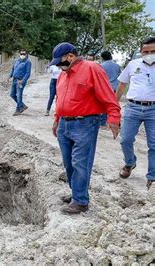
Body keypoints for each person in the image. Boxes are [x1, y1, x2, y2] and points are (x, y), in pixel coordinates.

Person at [50, 42, 121, 214]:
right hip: (64, 124)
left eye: (60, 62)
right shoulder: (62, 75)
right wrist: (57, 119)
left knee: (80, 162)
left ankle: (81, 201)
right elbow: (60, 99)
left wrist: (114, 117)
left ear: (70, 56)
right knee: (69, 163)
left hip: (85, 123)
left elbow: (108, 95)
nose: (59, 66)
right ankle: (77, 193)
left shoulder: (92, 69)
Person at [115, 37, 155, 191]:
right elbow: (122, 84)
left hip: (153, 109)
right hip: (132, 107)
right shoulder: (132, 65)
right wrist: (113, 106)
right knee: (125, 139)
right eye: (146, 51)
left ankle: (152, 177)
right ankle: (130, 162)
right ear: (141, 52)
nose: (149, 54)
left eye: (153, 51)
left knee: (154, 144)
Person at [100, 51, 121, 127]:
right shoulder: (117, 66)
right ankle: (117, 121)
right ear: (110, 56)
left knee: (104, 105)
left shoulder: (101, 66)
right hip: (115, 87)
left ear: (102, 57)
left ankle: (103, 122)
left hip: (106, 88)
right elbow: (120, 76)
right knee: (115, 105)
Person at [8, 49, 32, 116]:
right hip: (14, 80)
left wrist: (23, 81)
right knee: (12, 95)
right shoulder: (17, 61)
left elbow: (28, 73)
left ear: (26, 54)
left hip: (20, 81)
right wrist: (10, 76)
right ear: (19, 54)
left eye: (24, 54)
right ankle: (22, 106)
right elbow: (13, 69)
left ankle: (18, 109)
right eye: (21, 54)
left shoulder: (28, 62)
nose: (22, 55)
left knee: (19, 95)